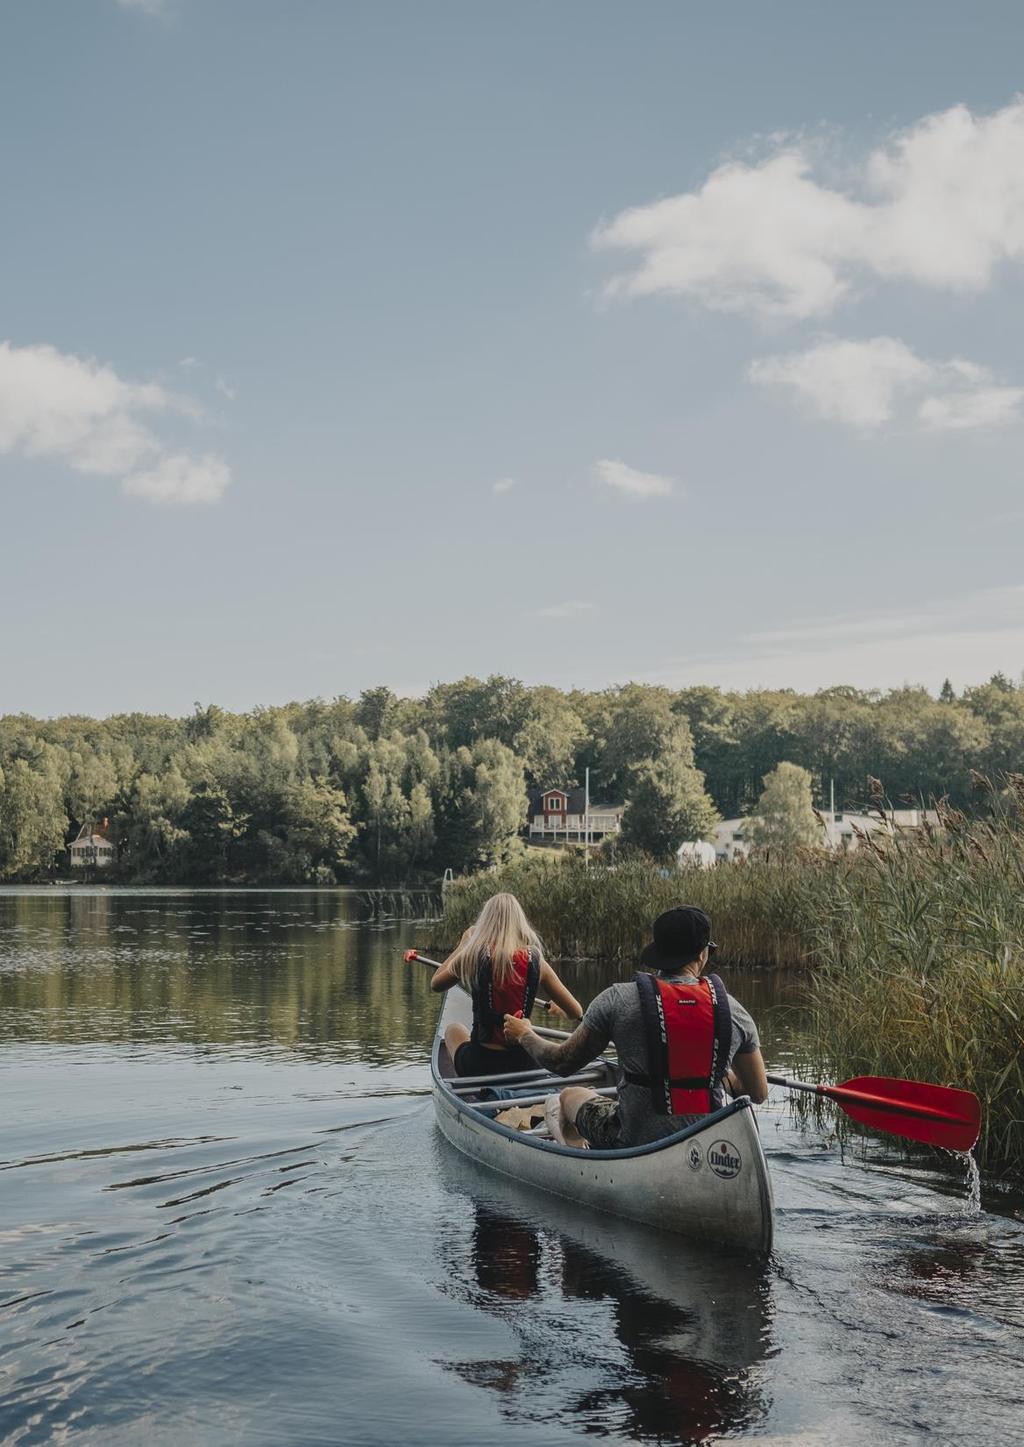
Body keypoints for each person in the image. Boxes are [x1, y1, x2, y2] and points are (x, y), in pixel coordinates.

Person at [503, 905, 767, 1148]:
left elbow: (562, 1063)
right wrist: (718, 1075)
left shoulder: (617, 1000)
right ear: (702, 953)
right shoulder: (734, 1013)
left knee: (569, 1096)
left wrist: (525, 1034)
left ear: (658, 951)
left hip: (632, 1141)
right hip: (704, 1142)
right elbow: (757, 1092)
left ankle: (582, 1160)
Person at [429, 892, 584, 1078]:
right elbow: (576, 1012)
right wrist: (562, 1010)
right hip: (525, 1062)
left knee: (453, 1030)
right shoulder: (536, 960)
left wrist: (464, 945)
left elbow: (436, 984)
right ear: (519, 923)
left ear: (485, 923)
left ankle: (469, 1089)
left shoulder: (472, 956)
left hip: (480, 1063)